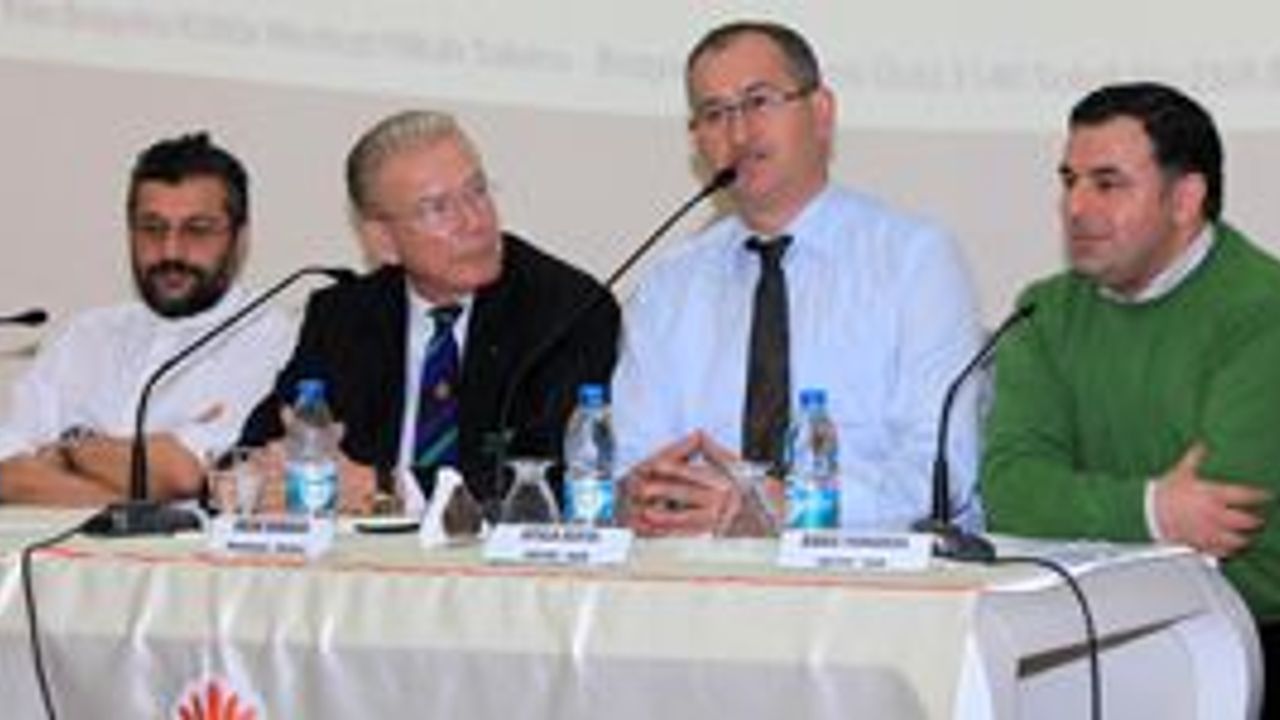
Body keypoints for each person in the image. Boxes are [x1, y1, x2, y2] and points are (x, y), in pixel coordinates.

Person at [612, 20, 983, 536]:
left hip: (867, 571)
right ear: (697, 139)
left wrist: (791, 508)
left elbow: (941, 475)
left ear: (822, 112)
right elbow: (633, 462)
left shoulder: (913, 261)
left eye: (759, 102)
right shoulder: (669, 286)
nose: (738, 134)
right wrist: (643, 495)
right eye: (715, 114)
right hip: (699, 565)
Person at [981, 81, 1280, 705]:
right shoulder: (1045, 312)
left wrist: (1077, 504)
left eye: (1108, 184)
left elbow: (1225, 514)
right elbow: (1009, 490)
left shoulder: (1261, 310)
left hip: (1247, 634)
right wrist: (1152, 509)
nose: (1076, 207)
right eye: (1070, 181)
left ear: (1186, 198)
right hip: (1075, 633)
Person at [240, 110, 619, 516]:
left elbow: (548, 477)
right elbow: (266, 443)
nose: (474, 221)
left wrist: (383, 488)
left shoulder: (567, 311)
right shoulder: (343, 317)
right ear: (382, 241)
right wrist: (254, 477)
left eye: (477, 191)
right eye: (437, 208)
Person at [0, 132, 293, 505]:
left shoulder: (269, 339)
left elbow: (182, 474)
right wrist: (125, 508)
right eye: (152, 229)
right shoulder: (86, 335)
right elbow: (6, 471)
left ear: (240, 237)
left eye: (197, 230)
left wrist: (69, 449)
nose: (171, 251)